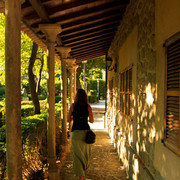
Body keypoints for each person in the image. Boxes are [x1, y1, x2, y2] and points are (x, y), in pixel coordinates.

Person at [67, 89, 94, 180]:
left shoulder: (73, 106)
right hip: (85, 133)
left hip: (75, 133)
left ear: (77, 96)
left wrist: (73, 117)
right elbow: (92, 121)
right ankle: (85, 165)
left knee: (76, 154)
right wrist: (87, 118)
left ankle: (81, 176)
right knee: (86, 152)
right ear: (85, 96)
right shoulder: (88, 107)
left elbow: (68, 119)